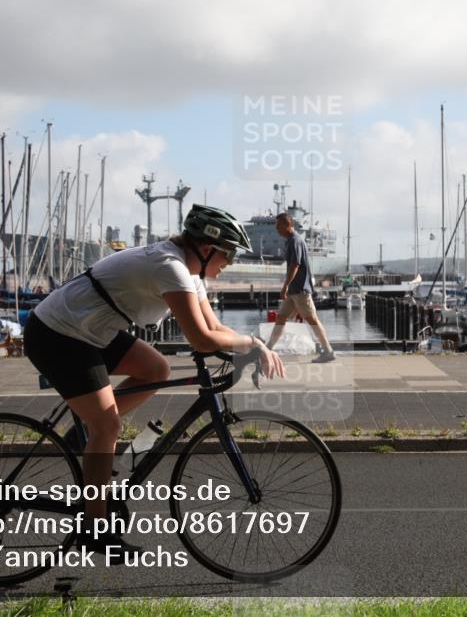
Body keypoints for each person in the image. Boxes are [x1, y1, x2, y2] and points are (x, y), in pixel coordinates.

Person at [23, 204, 285, 557]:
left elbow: (215, 327)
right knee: (107, 426)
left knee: (157, 370)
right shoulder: (170, 267)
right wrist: (251, 343)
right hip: (58, 333)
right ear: (206, 248)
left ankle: (83, 434)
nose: (231, 262)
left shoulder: (190, 272)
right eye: (229, 253)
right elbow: (201, 340)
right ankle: (93, 531)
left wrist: (250, 347)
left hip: (92, 330)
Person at [266, 212, 335, 362]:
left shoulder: (295, 241)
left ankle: (328, 351)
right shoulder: (290, 240)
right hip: (293, 290)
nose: (277, 229)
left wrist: (285, 285)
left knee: (312, 320)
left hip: (300, 290)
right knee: (281, 317)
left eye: (279, 226)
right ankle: (267, 349)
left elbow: (295, 265)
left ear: (288, 225)